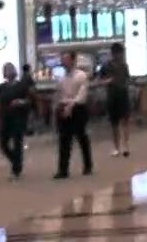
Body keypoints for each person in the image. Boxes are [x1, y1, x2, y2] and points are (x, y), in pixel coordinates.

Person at [53, 51, 92, 179]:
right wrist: (59, 107)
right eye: (62, 59)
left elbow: (82, 94)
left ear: (73, 61)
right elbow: (59, 95)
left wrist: (72, 105)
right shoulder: (61, 78)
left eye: (67, 59)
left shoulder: (81, 76)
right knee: (64, 139)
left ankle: (88, 165)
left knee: (81, 137)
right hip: (64, 108)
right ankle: (63, 169)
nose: (64, 62)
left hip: (78, 108)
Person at [0, 62, 31, 180]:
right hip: (5, 118)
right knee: (3, 144)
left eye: (11, 68)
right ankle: (16, 161)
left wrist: (21, 102)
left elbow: (29, 101)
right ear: (4, 73)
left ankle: (16, 170)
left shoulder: (22, 85)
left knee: (17, 144)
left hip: (18, 118)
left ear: (15, 71)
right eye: (7, 69)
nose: (9, 71)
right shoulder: (1, 87)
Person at [98, 43, 132, 158]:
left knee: (125, 122)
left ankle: (125, 146)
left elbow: (127, 78)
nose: (121, 55)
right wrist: (107, 81)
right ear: (114, 53)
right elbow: (99, 80)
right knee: (114, 124)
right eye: (119, 53)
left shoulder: (124, 65)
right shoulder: (106, 66)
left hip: (124, 95)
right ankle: (116, 147)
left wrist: (127, 84)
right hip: (112, 97)